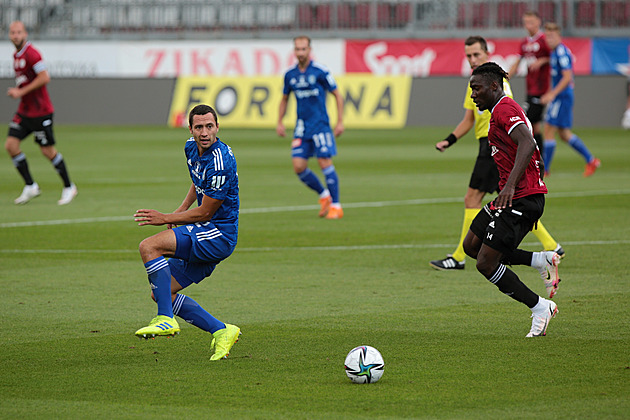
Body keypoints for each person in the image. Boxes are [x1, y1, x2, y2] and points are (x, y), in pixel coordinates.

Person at [430, 36, 564, 272]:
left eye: (476, 55)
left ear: (486, 53)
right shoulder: (475, 84)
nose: (472, 59)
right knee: (510, 200)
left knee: (476, 199)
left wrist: (528, 151)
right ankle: (551, 244)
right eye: (468, 55)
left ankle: (460, 256)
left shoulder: (495, 85)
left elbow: (516, 121)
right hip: (488, 145)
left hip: (496, 147)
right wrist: (449, 140)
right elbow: (468, 120)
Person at [133, 104, 241, 361]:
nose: (204, 132)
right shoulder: (190, 147)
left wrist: (166, 218)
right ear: (191, 129)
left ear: (217, 127)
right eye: (199, 127)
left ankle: (165, 320)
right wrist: (181, 209)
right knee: (162, 292)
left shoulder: (221, 160)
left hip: (218, 233)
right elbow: (197, 179)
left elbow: (206, 213)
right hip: (205, 229)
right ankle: (222, 330)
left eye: (209, 126)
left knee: (149, 247)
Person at [463, 62, 560, 337]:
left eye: (477, 88)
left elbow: (528, 143)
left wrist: (509, 187)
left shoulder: (505, 108)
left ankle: (541, 307)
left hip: (522, 197)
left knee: (485, 263)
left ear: (494, 86)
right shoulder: (498, 111)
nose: (473, 95)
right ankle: (542, 260)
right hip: (511, 195)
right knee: (471, 245)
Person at [5, 21, 77, 205]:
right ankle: (30, 186)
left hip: (40, 112)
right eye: (13, 32)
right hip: (25, 111)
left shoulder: (32, 53)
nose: (15, 35)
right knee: (11, 145)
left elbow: (45, 77)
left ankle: (69, 186)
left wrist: (20, 92)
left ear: (25, 34)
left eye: (19, 32)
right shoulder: (17, 55)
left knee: (47, 151)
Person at [277, 35, 345, 219]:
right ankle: (325, 196)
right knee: (298, 166)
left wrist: (340, 121)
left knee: (324, 162)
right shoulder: (290, 75)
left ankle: (337, 206)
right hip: (301, 127)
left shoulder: (320, 71)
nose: (300, 52)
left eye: (303, 49)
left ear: (309, 50)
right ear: (294, 51)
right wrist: (280, 121)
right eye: (297, 49)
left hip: (321, 125)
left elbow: (337, 95)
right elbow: (284, 99)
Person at [541, 22, 600, 177]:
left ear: (559, 36)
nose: (549, 39)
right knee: (564, 134)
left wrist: (552, 94)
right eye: (547, 36)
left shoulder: (561, 52)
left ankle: (545, 169)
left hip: (562, 97)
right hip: (561, 97)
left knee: (548, 129)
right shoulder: (554, 53)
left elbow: (567, 77)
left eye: (552, 36)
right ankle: (591, 160)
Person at [508, 11, 550, 151]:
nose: (528, 25)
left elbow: (555, 58)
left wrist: (543, 60)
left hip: (542, 89)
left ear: (539, 22)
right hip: (531, 88)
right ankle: (541, 161)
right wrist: (504, 77)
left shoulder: (544, 40)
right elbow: (517, 62)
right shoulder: (525, 42)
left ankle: (530, 157)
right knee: (535, 127)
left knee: (526, 122)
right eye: (526, 22)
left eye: (531, 22)